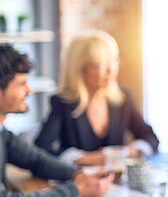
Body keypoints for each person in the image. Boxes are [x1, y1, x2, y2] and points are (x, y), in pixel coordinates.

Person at [0, 44, 113, 196]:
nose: (29, 90)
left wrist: (78, 175)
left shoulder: (3, 134)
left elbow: (35, 159)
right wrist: (76, 190)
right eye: (21, 84)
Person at [35, 30, 159, 166]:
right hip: (80, 181)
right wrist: (84, 158)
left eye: (114, 60)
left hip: (117, 182)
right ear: (80, 69)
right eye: (100, 64)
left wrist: (132, 150)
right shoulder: (63, 102)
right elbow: (41, 148)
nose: (111, 70)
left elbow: (150, 138)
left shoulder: (123, 97)